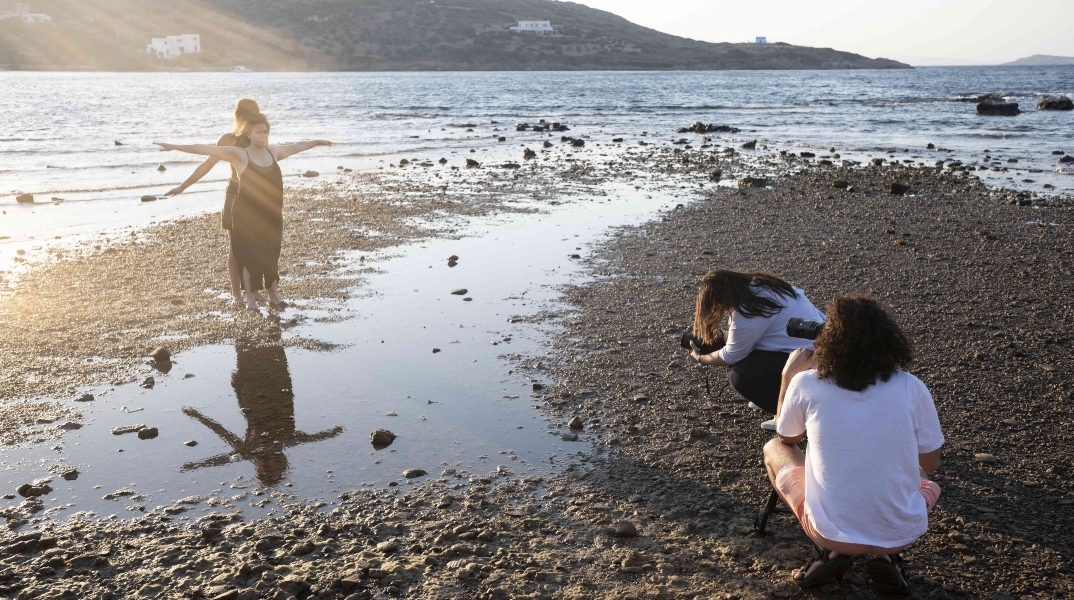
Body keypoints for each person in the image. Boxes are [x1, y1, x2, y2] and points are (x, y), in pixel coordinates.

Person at [763, 295, 944, 594]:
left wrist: (787, 376)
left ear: (827, 342)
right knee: (927, 482)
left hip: (829, 534)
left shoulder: (807, 383)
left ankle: (830, 554)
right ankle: (886, 554)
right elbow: (931, 464)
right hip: (902, 532)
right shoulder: (912, 387)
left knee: (774, 448)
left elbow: (787, 437)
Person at [154, 115, 331, 310]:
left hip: (271, 214)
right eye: (258, 132)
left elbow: (298, 146)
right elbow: (205, 149)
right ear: (248, 134)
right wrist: (175, 146)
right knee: (247, 256)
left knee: (271, 254)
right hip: (245, 215)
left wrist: (317, 142)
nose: (263, 136)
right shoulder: (240, 155)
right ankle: (250, 299)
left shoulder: (273, 153)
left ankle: (274, 295)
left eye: (265, 132)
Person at [688, 269, 825, 428]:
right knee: (750, 359)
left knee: (740, 375)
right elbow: (766, 332)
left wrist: (701, 358)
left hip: (810, 363)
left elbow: (731, 356)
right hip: (818, 348)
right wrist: (724, 336)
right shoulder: (761, 285)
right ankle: (770, 397)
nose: (723, 312)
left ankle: (788, 414)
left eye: (720, 307)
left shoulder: (748, 309)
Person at [165, 99, 262, 306]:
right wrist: (183, 186)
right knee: (237, 246)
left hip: (255, 197)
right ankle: (238, 295)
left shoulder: (257, 136)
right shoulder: (231, 139)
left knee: (249, 247)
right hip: (239, 195)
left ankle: (249, 292)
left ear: (236, 115)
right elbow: (207, 163)